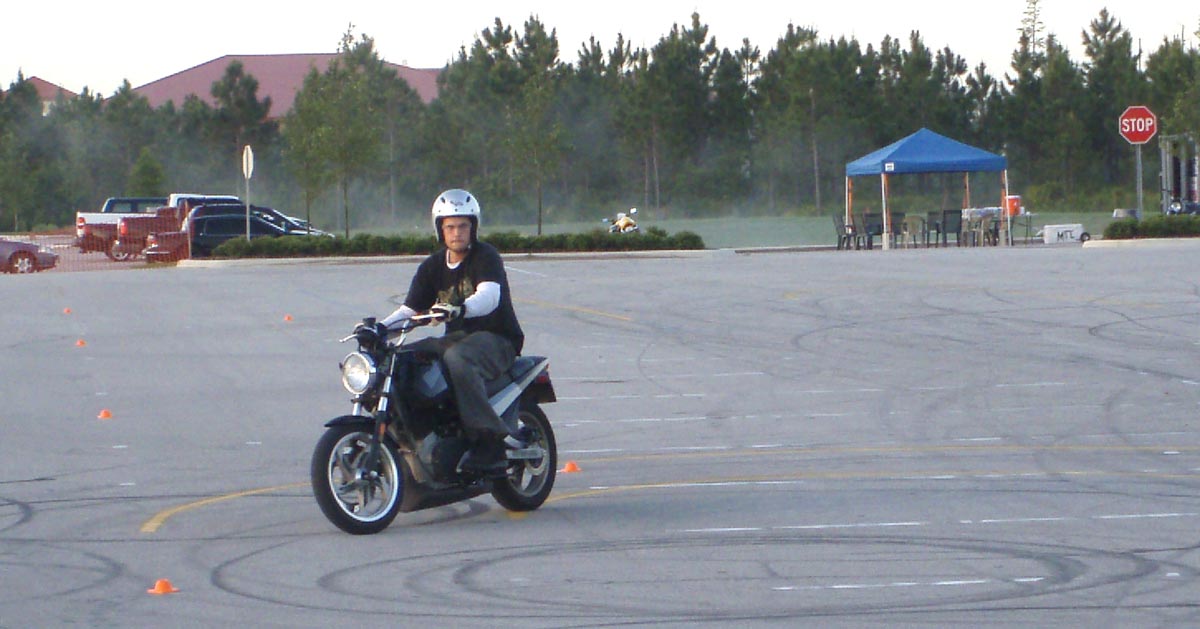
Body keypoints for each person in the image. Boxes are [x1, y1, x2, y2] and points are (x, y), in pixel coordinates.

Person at [378, 189, 525, 476]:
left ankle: (488, 440)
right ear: (440, 229)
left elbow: (489, 296)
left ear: (473, 227)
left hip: (497, 338)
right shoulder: (432, 266)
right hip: (458, 339)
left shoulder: (486, 256)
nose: (456, 232)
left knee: (458, 359)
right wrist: (380, 330)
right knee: (404, 358)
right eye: (450, 226)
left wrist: (459, 309)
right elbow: (409, 311)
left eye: (462, 226)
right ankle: (417, 432)